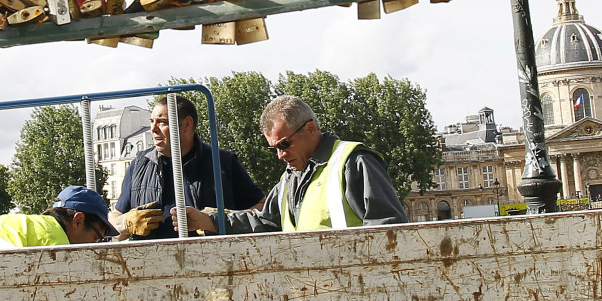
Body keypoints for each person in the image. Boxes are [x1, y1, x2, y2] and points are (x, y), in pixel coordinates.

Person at [183, 94, 406, 233]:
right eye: (275, 148)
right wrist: (209, 221)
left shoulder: (354, 163)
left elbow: (388, 230)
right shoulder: (290, 178)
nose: (280, 155)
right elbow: (264, 222)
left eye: (284, 144)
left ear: (310, 129)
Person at [110, 94, 263, 239]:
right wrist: (124, 223)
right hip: (151, 263)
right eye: (151, 121)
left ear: (187, 124)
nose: (153, 129)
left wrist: (218, 219)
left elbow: (262, 210)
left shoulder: (222, 162)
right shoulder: (139, 164)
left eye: (162, 122)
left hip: (212, 261)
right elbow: (113, 219)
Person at [0, 185, 116, 251]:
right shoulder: (54, 243)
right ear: (78, 220)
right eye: (95, 238)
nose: (94, 246)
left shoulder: (21, 223)